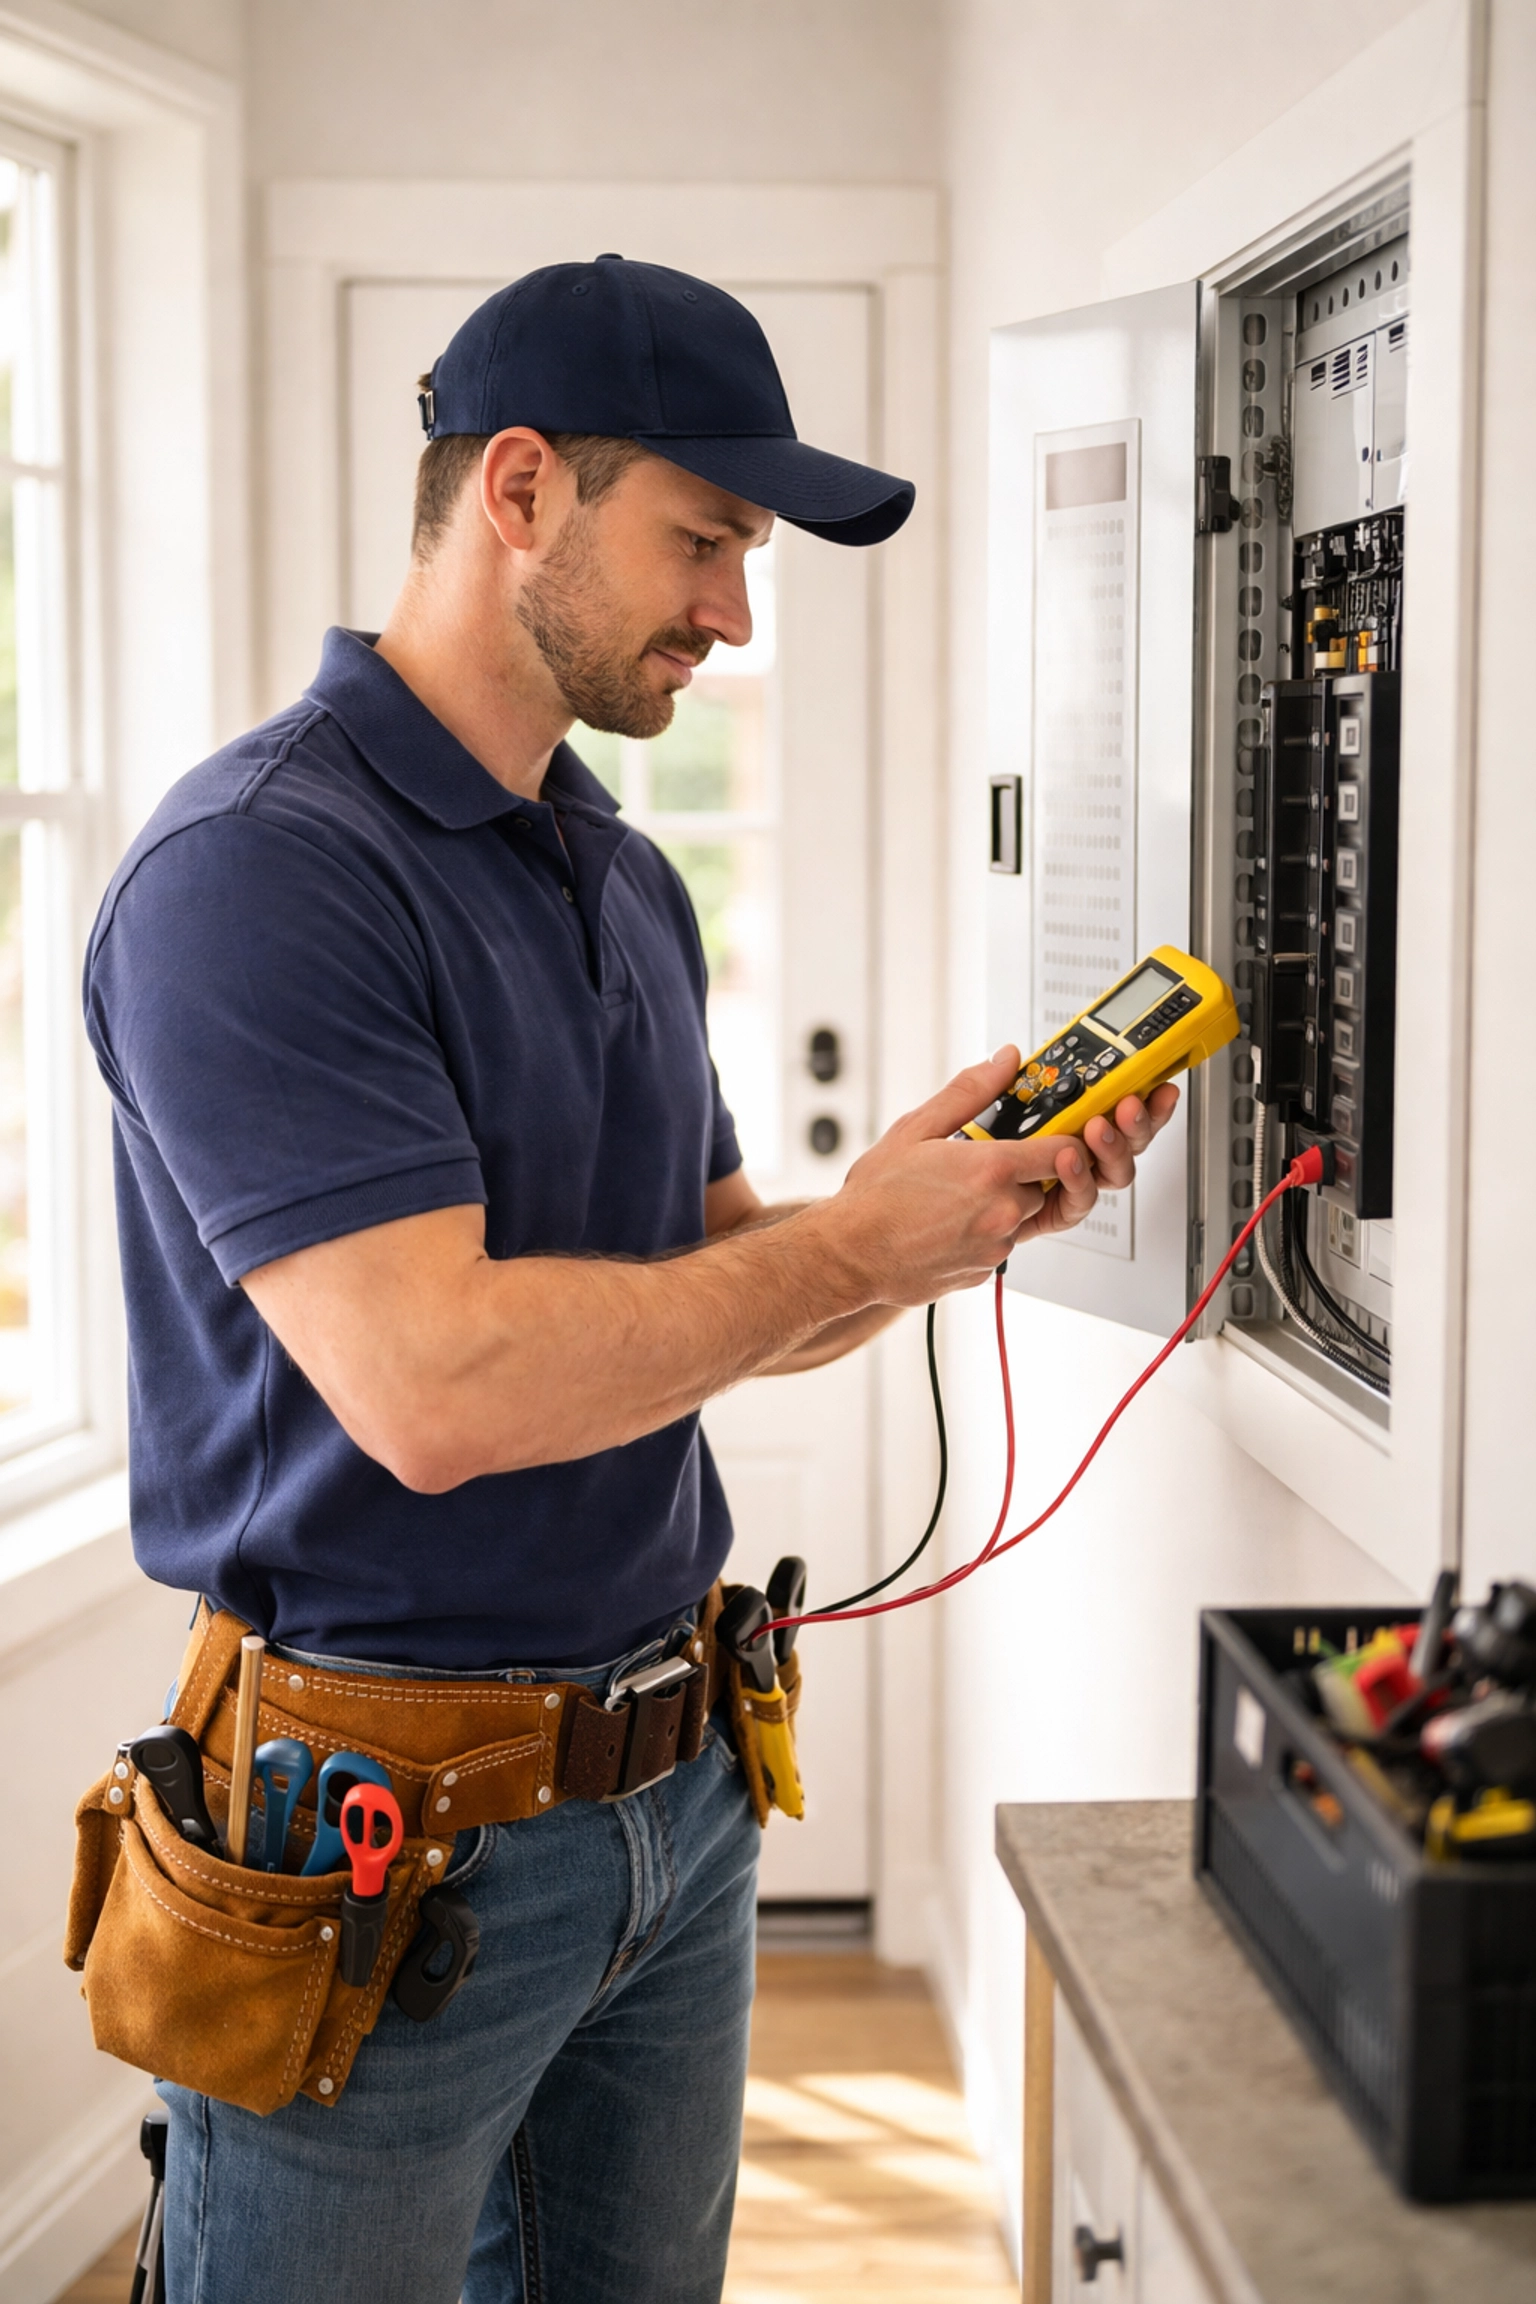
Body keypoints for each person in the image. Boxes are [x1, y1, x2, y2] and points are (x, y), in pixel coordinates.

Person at [82, 255, 1176, 2304]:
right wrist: (851, 1247)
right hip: (371, 1835)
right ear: (518, 490)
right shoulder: (256, 873)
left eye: (746, 556)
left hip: (675, 1801)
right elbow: (440, 1388)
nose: (734, 616)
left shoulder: (618, 870)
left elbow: (703, 1287)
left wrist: (930, 1220)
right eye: (702, 540)